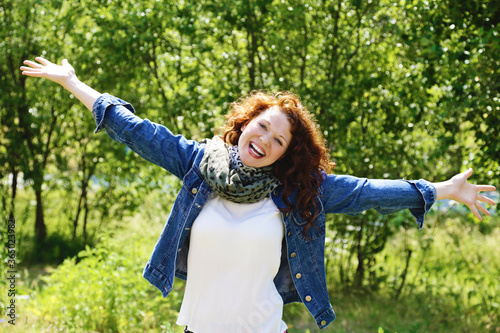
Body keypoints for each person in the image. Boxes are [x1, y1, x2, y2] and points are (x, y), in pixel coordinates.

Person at [20, 57, 496, 332]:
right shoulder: (196, 164)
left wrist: (441, 190)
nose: (265, 140)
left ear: (286, 154)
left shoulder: (299, 190)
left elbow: (367, 192)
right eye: (262, 126)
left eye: (279, 139)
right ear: (245, 124)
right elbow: (135, 129)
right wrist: (73, 82)